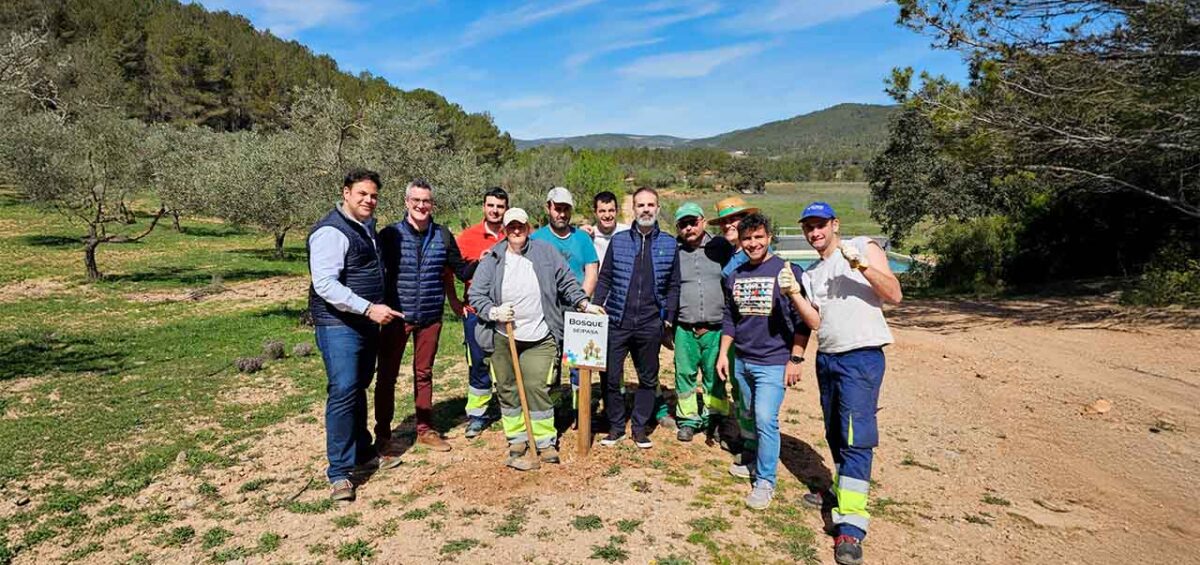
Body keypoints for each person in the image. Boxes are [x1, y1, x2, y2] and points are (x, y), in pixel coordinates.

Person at [796, 202, 902, 565]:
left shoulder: (863, 246)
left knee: (856, 438)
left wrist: (862, 265)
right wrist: (794, 295)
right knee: (835, 433)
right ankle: (841, 494)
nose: (815, 233)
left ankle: (851, 527)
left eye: (821, 225)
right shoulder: (812, 272)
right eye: (809, 227)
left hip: (861, 356)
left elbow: (894, 294)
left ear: (835, 224)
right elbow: (815, 321)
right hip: (828, 357)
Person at [468, 208, 606, 470]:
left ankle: (544, 441)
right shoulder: (493, 258)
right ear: (505, 230)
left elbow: (566, 282)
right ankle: (517, 438)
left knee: (536, 387)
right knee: (507, 389)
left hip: (540, 335)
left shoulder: (545, 253)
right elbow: (476, 294)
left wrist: (584, 304)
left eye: (521, 226)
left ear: (528, 227)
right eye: (511, 227)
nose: (516, 231)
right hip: (502, 336)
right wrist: (493, 311)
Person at [307, 169, 403, 502]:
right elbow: (325, 285)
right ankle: (339, 473)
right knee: (344, 389)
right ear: (346, 193)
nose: (369, 200)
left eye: (374, 195)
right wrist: (367, 308)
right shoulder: (331, 232)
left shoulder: (366, 227)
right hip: (338, 325)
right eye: (362, 193)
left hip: (363, 323)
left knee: (358, 386)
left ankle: (362, 450)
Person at [715, 213, 821, 510]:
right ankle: (752, 459)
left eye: (758, 237)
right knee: (746, 413)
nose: (753, 243)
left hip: (773, 362)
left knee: (765, 419)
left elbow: (803, 321)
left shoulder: (787, 271)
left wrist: (796, 358)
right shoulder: (736, 277)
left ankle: (765, 481)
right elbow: (730, 319)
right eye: (747, 238)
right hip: (743, 360)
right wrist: (724, 353)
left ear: (769, 237)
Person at [376, 179, 472, 456]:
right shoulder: (390, 235)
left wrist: (493, 257)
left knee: (424, 373)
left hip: (430, 315)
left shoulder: (442, 235)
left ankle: (425, 430)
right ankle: (383, 435)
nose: (421, 205)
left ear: (432, 204)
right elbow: (375, 272)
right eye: (415, 200)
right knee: (387, 376)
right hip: (396, 316)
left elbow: (462, 270)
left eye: (426, 201)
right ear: (406, 202)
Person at [593, 187, 679, 449]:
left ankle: (640, 428)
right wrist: (597, 305)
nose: (645, 210)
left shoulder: (669, 243)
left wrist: (668, 317)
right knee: (610, 376)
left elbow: (674, 284)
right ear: (633, 209)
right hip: (617, 320)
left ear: (658, 209)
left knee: (648, 378)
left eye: (650, 205)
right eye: (640, 205)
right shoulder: (619, 241)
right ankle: (616, 427)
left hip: (650, 323)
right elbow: (605, 276)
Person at [665, 202, 734, 443]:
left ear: (703, 221)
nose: (689, 228)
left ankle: (713, 419)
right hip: (685, 326)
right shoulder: (674, 252)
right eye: (683, 224)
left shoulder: (721, 248)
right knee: (684, 374)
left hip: (716, 327)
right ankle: (688, 420)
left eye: (693, 222)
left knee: (715, 377)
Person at [454, 187, 509, 438]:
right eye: (491, 205)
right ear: (483, 207)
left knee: (508, 362)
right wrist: (454, 302)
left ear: (506, 209)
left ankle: (511, 410)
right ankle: (477, 415)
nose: (495, 210)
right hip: (476, 312)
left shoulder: (516, 232)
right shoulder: (467, 237)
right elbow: (450, 271)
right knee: (477, 362)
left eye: (500, 206)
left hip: (509, 312)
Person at [531, 187, 599, 295]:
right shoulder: (535, 239)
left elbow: (592, 273)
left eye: (566, 209)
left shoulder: (583, 238)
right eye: (558, 209)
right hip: (546, 305)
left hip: (576, 304)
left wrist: (581, 302)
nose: (562, 215)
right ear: (548, 209)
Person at [585, 190, 629, 262]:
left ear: (617, 211)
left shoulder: (628, 233)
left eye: (611, 210)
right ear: (595, 213)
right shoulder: (589, 235)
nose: (607, 215)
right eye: (602, 211)